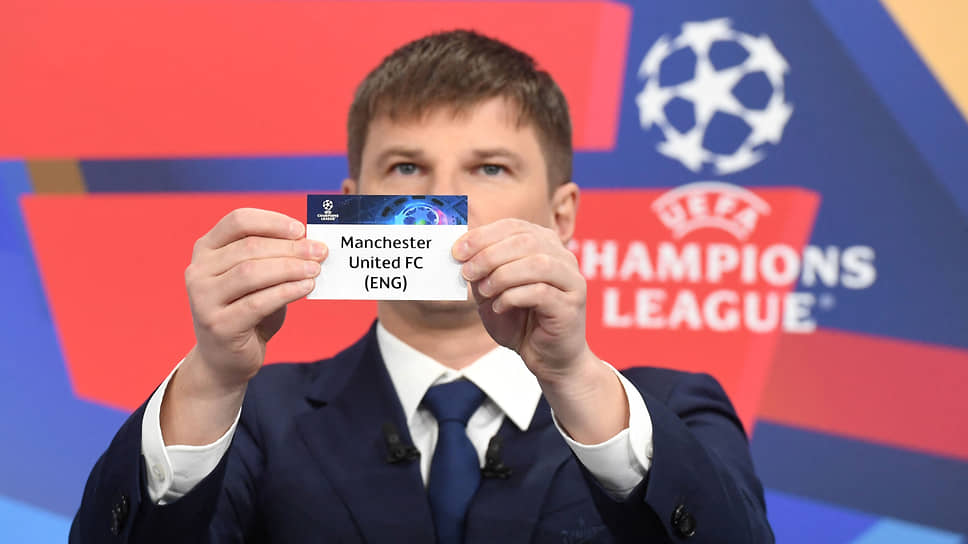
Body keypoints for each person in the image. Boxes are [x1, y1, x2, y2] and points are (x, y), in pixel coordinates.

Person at [70, 30, 773, 543]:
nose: (442, 204)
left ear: (561, 218)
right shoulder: (251, 415)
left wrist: (576, 380)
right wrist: (210, 380)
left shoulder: (668, 409)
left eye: (490, 168)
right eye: (406, 168)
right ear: (352, 203)